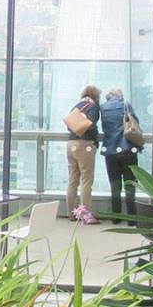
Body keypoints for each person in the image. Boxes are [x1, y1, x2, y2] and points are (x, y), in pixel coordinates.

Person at [98, 85, 143, 218]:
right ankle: (131, 218)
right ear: (119, 95)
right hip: (128, 149)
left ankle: (116, 217)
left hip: (110, 150)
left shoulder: (103, 107)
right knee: (130, 184)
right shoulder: (125, 104)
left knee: (114, 184)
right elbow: (135, 123)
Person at [64, 83, 102, 224]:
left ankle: (71, 213)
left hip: (70, 145)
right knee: (86, 180)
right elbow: (90, 123)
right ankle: (85, 216)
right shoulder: (93, 107)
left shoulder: (77, 105)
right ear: (96, 96)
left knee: (73, 180)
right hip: (85, 145)